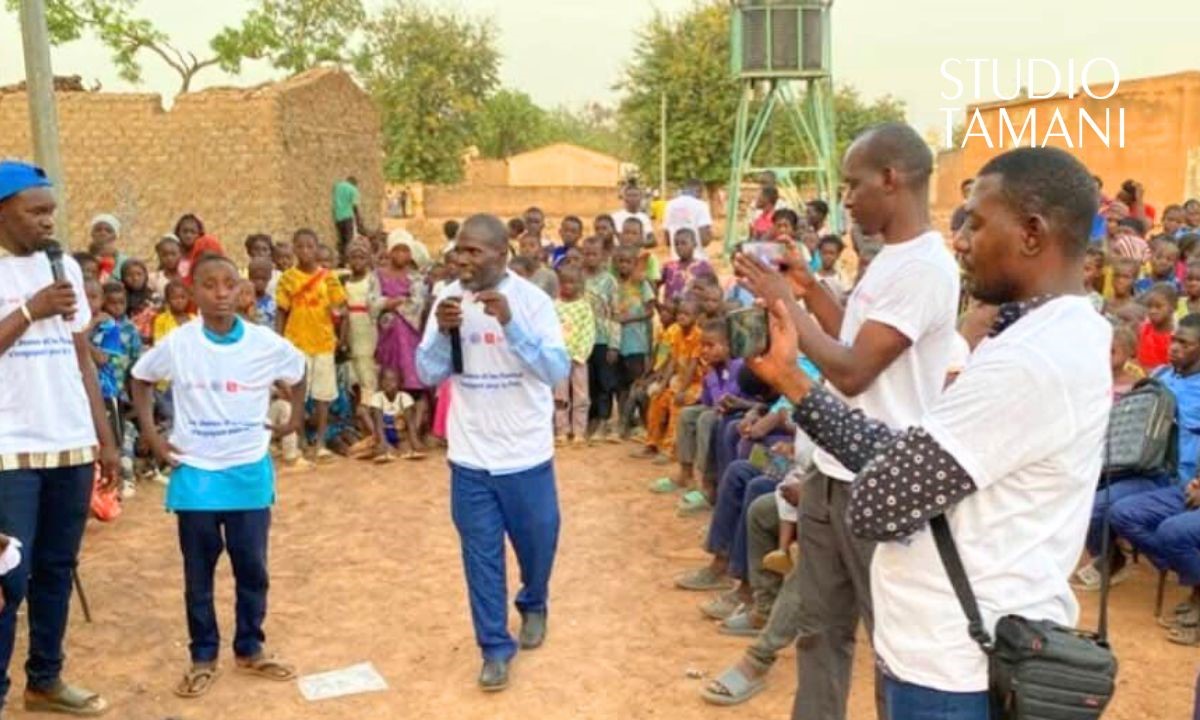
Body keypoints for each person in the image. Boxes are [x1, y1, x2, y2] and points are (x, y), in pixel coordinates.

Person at [746, 144, 1112, 719]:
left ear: (1033, 234)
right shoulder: (1039, 337)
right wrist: (794, 381)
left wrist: (790, 312)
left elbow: (878, 505)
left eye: (976, 222)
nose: (962, 239)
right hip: (945, 650)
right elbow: (900, 455)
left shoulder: (1033, 362)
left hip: (956, 667)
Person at [733, 122, 960, 720]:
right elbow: (847, 338)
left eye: (854, 184)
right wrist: (808, 292)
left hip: (879, 476)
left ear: (892, 178)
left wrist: (782, 301)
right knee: (820, 631)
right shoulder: (886, 261)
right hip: (830, 471)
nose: (847, 198)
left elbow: (854, 371)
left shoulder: (924, 268)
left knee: (892, 644)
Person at [131, 253, 306, 700]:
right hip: (196, 476)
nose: (222, 293)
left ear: (243, 290)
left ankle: (250, 647)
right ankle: (202, 656)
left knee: (252, 568)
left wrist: (294, 419)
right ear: (192, 293)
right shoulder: (180, 342)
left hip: (248, 472)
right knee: (198, 574)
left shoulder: (264, 343)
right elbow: (140, 378)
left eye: (230, 284)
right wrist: (152, 435)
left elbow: (298, 371)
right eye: (210, 285)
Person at [416, 213, 570, 691]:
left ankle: (535, 600)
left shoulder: (532, 301)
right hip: (470, 457)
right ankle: (494, 649)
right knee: (480, 556)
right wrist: (442, 335)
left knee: (538, 546)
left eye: (473, 251)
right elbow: (425, 374)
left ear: (501, 255)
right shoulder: (445, 300)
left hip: (526, 454)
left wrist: (511, 326)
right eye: (458, 250)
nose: (462, 259)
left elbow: (555, 370)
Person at [0, 160, 120, 717]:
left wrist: (106, 437)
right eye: (36, 211)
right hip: (10, 447)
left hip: (70, 441)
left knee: (56, 568)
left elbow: (79, 355)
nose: (49, 221)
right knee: (8, 577)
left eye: (51, 210)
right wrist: (29, 309)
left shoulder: (64, 267)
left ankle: (44, 680)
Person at [1073, 313, 1200, 591]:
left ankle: (1181, 564)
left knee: (1108, 508)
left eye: (1185, 343)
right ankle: (1111, 558)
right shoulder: (1159, 375)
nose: (1175, 347)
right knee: (1085, 497)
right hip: (1139, 466)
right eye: (1175, 340)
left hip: (1177, 479)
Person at [276, 229, 346, 461]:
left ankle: (321, 442)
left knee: (323, 396)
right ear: (294, 249)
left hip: (324, 342)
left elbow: (341, 309)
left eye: (310, 246)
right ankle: (302, 440)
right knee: (298, 395)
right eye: (301, 246)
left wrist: (341, 336)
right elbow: (282, 312)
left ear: (317, 249)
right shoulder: (287, 278)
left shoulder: (329, 278)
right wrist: (279, 343)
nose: (305, 251)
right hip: (296, 343)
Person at [375, 230, 430, 443]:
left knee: (411, 378)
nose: (400, 254)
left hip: (409, 334)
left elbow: (417, 304)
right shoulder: (378, 275)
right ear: (389, 252)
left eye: (405, 250)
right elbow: (372, 301)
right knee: (389, 378)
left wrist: (392, 302)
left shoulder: (415, 277)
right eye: (396, 249)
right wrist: (390, 302)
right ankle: (390, 431)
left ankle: (412, 430)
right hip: (386, 334)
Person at [636, 299, 703, 464]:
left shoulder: (698, 335)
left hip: (697, 383)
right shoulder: (675, 331)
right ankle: (652, 443)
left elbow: (692, 367)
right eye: (680, 313)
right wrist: (663, 384)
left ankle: (669, 450)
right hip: (679, 380)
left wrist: (681, 390)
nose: (682, 317)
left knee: (676, 402)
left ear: (696, 317)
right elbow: (673, 362)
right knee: (658, 397)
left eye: (687, 314)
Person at [612, 246, 656, 439]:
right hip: (617, 342)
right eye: (620, 261)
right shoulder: (613, 284)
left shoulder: (641, 284)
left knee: (637, 383)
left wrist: (627, 319)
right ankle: (624, 422)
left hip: (636, 342)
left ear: (634, 263)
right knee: (621, 385)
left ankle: (645, 424)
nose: (624, 265)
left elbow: (650, 311)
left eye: (628, 261)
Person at [581, 237, 621, 443]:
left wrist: (614, 344)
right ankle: (591, 419)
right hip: (581, 338)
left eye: (594, 254)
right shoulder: (578, 279)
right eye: (586, 254)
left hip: (603, 338)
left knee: (605, 382)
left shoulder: (609, 281)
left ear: (603, 256)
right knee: (588, 382)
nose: (590, 258)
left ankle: (604, 420)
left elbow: (615, 313)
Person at [553, 266, 595, 446]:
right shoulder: (554, 306)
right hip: (559, 358)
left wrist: (580, 354)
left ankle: (579, 431)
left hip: (578, 358)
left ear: (580, 284)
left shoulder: (584, 307)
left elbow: (589, 332)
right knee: (560, 396)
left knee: (581, 395)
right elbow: (550, 330)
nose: (568, 286)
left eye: (572, 282)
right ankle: (562, 430)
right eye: (564, 282)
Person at [339, 240, 380, 400]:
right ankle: (357, 406)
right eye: (353, 257)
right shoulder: (345, 281)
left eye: (362, 257)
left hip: (366, 325)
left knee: (365, 362)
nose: (357, 261)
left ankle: (370, 402)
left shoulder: (371, 280)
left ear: (368, 259)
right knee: (353, 364)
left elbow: (376, 303)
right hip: (350, 325)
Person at [356, 367, 423, 463]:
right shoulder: (377, 398)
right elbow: (378, 423)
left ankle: (403, 448)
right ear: (380, 383)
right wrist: (384, 443)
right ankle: (386, 447)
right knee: (380, 448)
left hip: (400, 435)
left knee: (407, 447)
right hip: (382, 434)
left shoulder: (405, 398)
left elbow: (410, 424)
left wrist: (414, 440)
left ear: (400, 383)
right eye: (385, 379)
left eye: (393, 380)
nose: (388, 383)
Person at [662, 179, 714, 260]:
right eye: (701, 193)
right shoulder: (701, 205)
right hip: (698, 259)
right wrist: (710, 235)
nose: (701, 196)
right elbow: (704, 240)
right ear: (698, 191)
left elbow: (667, 240)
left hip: (676, 259)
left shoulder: (670, 205)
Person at [661, 229, 715, 304]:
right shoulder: (668, 267)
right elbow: (653, 286)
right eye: (676, 244)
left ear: (694, 244)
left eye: (684, 243)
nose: (679, 247)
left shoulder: (704, 266)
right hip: (671, 312)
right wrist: (658, 306)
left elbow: (715, 289)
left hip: (695, 312)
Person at [1138, 283, 1178, 371]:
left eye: (1158, 306)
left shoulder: (1178, 336)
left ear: (1173, 307)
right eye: (1149, 306)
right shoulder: (1142, 330)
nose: (1152, 311)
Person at [332, 176, 364, 262]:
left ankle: (340, 260)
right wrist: (359, 219)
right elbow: (354, 206)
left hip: (338, 217)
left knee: (341, 239)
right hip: (347, 216)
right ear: (354, 183)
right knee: (349, 240)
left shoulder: (337, 186)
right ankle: (347, 260)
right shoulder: (353, 189)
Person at [88, 213, 127, 282]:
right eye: (98, 230)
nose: (103, 233)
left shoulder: (125, 262)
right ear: (92, 234)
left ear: (115, 236)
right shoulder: (82, 260)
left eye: (108, 231)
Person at [248, 258, 278, 328]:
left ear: (269, 278)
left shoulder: (273, 303)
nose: (259, 283)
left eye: (263, 279)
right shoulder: (245, 301)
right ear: (249, 277)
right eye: (256, 278)